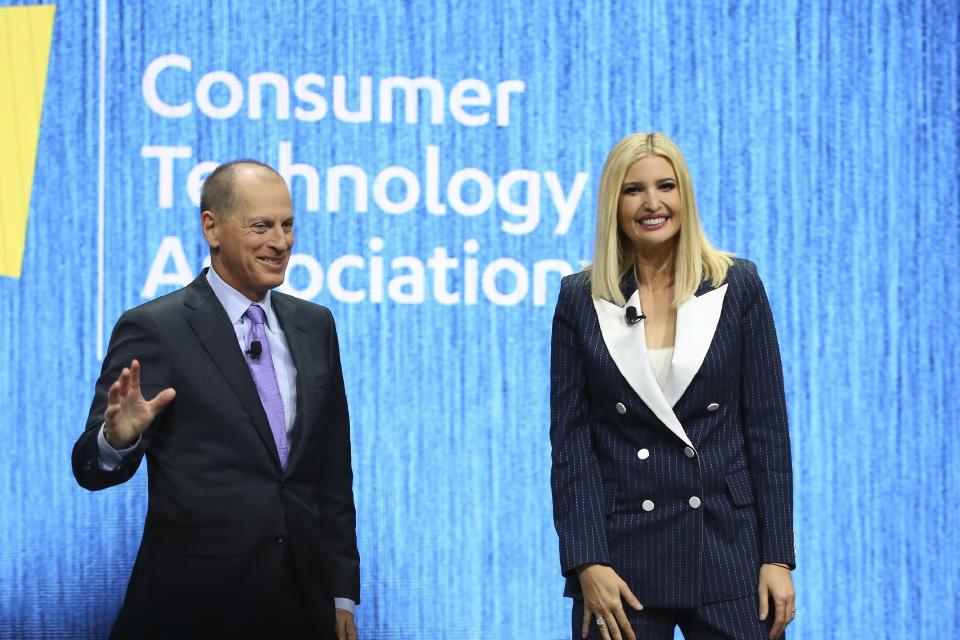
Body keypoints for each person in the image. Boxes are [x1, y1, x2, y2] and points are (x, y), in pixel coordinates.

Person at [72, 160, 360, 640]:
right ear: (212, 228)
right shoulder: (157, 328)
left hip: (301, 608)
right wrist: (114, 439)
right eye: (261, 226)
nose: (281, 242)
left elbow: (331, 473)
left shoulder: (316, 325)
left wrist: (340, 593)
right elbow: (89, 467)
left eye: (288, 225)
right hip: (194, 610)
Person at [550, 132, 796, 640]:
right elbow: (572, 445)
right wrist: (587, 562)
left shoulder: (737, 285)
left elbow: (768, 431)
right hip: (621, 561)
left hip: (730, 552)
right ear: (613, 204)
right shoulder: (580, 297)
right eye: (633, 189)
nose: (652, 203)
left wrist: (778, 556)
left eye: (666, 186)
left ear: (685, 195)